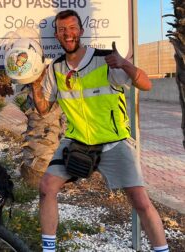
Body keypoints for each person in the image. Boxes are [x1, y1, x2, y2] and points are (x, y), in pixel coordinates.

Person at [31, 9, 169, 252]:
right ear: (57, 35)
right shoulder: (56, 68)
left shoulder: (106, 59)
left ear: (81, 31)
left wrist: (125, 64)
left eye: (72, 28)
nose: (68, 34)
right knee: (46, 188)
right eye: (62, 30)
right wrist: (34, 85)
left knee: (140, 201)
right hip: (76, 142)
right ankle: (48, 249)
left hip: (114, 142)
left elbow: (146, 84)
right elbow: (43, 110)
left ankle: (162, 249)